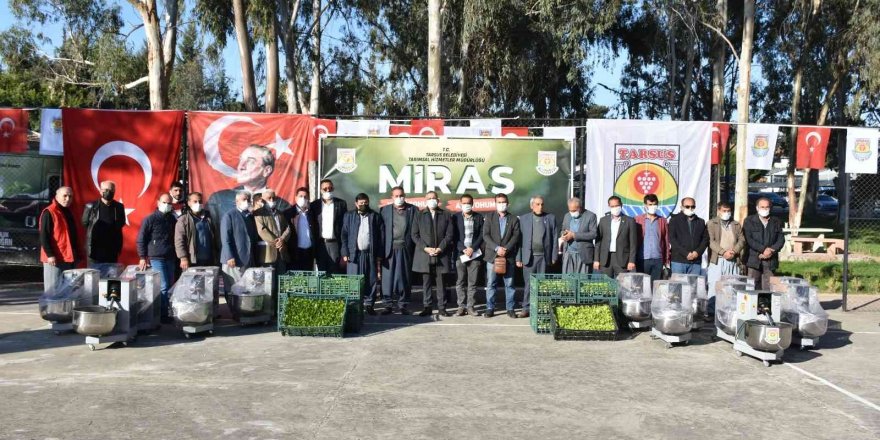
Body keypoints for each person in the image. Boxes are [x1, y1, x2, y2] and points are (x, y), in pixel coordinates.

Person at [206, 145, 290, 223]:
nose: (241, 167)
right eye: (241, 160)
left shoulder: (282, 206)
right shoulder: (219, 200)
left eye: (250, 161)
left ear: (266, 171)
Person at [137, 194, 178, 322]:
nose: (167, 205)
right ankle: (163, 314)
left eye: (169, 203)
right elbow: (141, 239)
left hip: (171, 257)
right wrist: (142, 257)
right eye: (165, 202)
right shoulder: (150, 219)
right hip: (156, 257)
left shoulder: (172, 219)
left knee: (170, 285)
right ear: (158, 202)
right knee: (163, 285)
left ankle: (166, 311)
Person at [412, 191, 453, 317]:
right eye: (429, 198)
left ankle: (442, 307)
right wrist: (426, 248)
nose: (431, 200)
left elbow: (449, 234)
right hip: (425, 255)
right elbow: (414, 235)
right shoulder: (419, 215)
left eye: (433, 198)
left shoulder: (446, 214)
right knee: (427, 283)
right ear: (425, 200)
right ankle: (427, 307)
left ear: (438, 200)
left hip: (441, 254)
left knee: (441, 283)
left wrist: (440, 248)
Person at [516, 195, 558, 318]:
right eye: (537, 204)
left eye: (542, 204)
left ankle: (541, 308)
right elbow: (519, 240)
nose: (540, 206)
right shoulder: (523, 219)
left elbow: (555, 237)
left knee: (542, 284)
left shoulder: (550, 218)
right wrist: (519, 258)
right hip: (529, 257)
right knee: (529, 284)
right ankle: (526, 308)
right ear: (532, 206)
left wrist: (554, 255)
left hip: (544, 257)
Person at [341, 193, 384, 314]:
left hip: (369, 254)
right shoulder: (349, 216)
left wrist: (379, 253)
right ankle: (354, 306)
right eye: (361, 203)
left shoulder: (374, 216)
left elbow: (381, 236)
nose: (363, 205)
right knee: (353, 280)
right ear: (356, 204)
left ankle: (369, 304)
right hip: (354, 254)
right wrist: (345, 252)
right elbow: (344, 235)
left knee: (371, 280)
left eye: (366, 203)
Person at [379, 186, 418, 315]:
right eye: (396, 196)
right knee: (387, 278)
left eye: (401, 195)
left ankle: (403, 304)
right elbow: (381, 232)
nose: (399, 198)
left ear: (404, 195)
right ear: (392, 197)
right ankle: (387, 304)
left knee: (404, 277)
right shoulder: (384, 210)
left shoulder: (413, 210)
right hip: (388, 249)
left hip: (405, 248)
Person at [220, 191, 259, 316]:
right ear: (236, 201)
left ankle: (242, 310)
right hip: (233, 260)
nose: (246, 202)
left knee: (244, 288)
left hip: (247, 259)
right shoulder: (229, 215)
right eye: (243, 199)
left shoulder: (249, 216)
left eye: (248, 199)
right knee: (232, 287)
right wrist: (229, 256)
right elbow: (225, 239)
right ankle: (234, 311)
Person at [483, 193, 521, 318]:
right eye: (499, 202)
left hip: (508, 256)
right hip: (492, 256)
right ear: (495, 203)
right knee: (491, 284)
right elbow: (486, 235)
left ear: (508, 203)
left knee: (509, 284)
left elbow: (516, 236)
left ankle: (510, 308)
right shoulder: (489, 217)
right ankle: (490, 308)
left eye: (503, 202)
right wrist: (497, 248)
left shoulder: (514, 219)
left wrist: (506, 249)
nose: (501, 204)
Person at [39, 187, 83, 292]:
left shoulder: (68, 212)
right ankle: (51, 309)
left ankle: (62, 309)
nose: (68, 199)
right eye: (65, 196)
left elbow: (73, 235)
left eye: (70, 196)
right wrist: (50, 255)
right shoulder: (49, 212)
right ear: (57, 196)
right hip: (55, 259)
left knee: (66, 290)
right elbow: (44, 236)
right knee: (53, 290)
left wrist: (78, 253)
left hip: (68, 257)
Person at [81, 180, 126, 274]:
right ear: (100, 191)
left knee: (110, 279)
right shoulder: (91, 206)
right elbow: (85, 223)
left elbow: (121, 223)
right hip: (94, 251)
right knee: (94, 278)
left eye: (111, 190)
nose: (108, 192)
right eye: (105, 190)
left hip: (112, 250)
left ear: (114, 191)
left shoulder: (119, 207)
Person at [707, 201, 746, 308]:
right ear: (719, 211)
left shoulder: (736, 224)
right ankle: (711, 311)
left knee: (732, 286)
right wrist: (723, 252)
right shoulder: (711, 223)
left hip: (733, 259)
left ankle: (729, 309)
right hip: (718, 260)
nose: (727, 213)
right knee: (714, 285)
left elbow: (742, 240)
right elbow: (710, 241)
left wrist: (734, 251)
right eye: (724, 211)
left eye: (729, 211)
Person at [452, 194, 484, 316]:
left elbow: (482, 235)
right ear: (460, 203)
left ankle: (471, 307)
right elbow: (453, 236)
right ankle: (461, 306)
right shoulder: (455, 218)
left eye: (469, 203)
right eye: (464, 203)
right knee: (460, 281)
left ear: (473, 203)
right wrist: (463, 249)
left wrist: (472, 248)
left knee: (472, 282)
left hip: (475, 254)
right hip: (460, 254)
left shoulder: (479, 217)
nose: (467, 205)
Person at [743, 197, 784, 290]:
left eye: (767, 207)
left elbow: (781, 239)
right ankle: (753, 304)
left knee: (769, 286)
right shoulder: (749, 221)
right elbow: (749, 239)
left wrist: (771, 250)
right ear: (757, 208)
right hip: (754, 259)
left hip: (770, 259)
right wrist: (763, 250)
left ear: (770, 208)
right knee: (752, 286)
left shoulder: (776, 221)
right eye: (762, 207)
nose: (765, 209)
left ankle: (766, 304)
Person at [593, 196, 638, 278]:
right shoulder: (603, 220)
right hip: (605, 259)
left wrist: (631, 261)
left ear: (621, 205)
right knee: (606, 286)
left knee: (622, 286)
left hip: (622, 260)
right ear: (609, 206)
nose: (615, 208)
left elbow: (633, 243)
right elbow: (598, 242)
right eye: (612, 206)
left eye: (617, 206)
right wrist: (596, 259)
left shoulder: (630, 221)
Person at [311, 179, 347, 274]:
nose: (328, 190)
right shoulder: (314, 205)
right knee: (322, 273)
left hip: (335, 244)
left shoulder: (341, 204)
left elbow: (344, 227)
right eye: (325, 188)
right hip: (320, 244)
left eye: (330, 188)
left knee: (335, 272)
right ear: (321, 190)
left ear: (333, 189)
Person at [253, 188, 292, 276]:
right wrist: (277, 242)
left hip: (282, 253)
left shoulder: (280, 213)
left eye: (274, 198)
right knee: (268, 283)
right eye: (269, 198)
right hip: (267, 254)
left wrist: (282, 239)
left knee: (280, 280)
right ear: (262, 199)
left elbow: (288, 227)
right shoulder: (258, 214)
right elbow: (262, 231)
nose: (272, 200)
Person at [175, 192, 218, 269]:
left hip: (209, 260)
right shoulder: (183, 220)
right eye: (195, 201)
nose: (198, 203)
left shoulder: (208, 218)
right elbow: (179, 240)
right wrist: (183, 258)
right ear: (189, 203)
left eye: (200, 201)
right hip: (193, 261)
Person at [668, 197, 709, 275]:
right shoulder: (674, 220)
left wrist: (697, 252)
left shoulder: (700, 221)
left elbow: (705, 239)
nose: (690, 208)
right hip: (678, 261)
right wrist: (686, 253)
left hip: (695, 262)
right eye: (687, 206)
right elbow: (672, 239)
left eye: (692, 206)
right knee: (678, 286)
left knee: (693, 286)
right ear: (681, 207)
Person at [635, 194, 669, 282]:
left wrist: (666, 260)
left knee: (655, 286)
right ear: (645, 205)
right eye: (650, 205)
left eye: (654, 204)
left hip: (658, 259)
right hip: (642, 258)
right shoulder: (637, 220)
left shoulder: (662, 220)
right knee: (642, 286)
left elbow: (666, 241)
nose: (652, 207)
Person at [560, 197, 597, 275]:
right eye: (570, 210)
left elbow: (593, 234)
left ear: (580, 207)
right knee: (568, 282)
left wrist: (574, 235)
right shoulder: (567, 216)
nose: (572, 212)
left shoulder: (591, 216)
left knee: (582, 281)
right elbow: (563, 230)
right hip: (569, 254)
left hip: (583, 254)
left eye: (574, 210)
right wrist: (564, 234)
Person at [284, 187, 317, 271]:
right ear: (295, 197)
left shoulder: (312, 213)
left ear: (309, 199)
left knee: (307, 278)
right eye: (300, 196)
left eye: (305, 197)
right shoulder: (288, 213)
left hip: (309, 252)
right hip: (294, 252)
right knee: (295, 280)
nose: (303, 198)